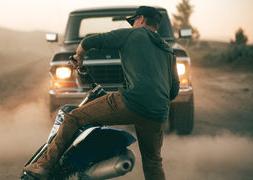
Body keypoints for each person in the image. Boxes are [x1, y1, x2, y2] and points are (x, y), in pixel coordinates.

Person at [24, 6, 180, 180]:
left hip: (131, 101)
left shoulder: (132, 34)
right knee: (153, 162)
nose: (133, 25)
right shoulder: (168, 51)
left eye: (133, 21)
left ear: (141, 18)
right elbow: (173, 91)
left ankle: (43, 165)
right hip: (158, 112)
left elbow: (90, 41)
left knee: (73, 118)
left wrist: (80, 58)